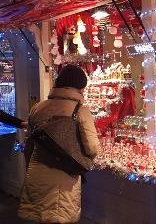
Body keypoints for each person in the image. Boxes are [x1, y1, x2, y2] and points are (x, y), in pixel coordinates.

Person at [18, 64, 100, 224]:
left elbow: (29, 145)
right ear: (80, 87)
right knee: (58, 217)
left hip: (35, 173)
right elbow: (92, 148)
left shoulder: (38, 107)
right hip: (63, 177)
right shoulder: (80, 110)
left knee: (37, 217)